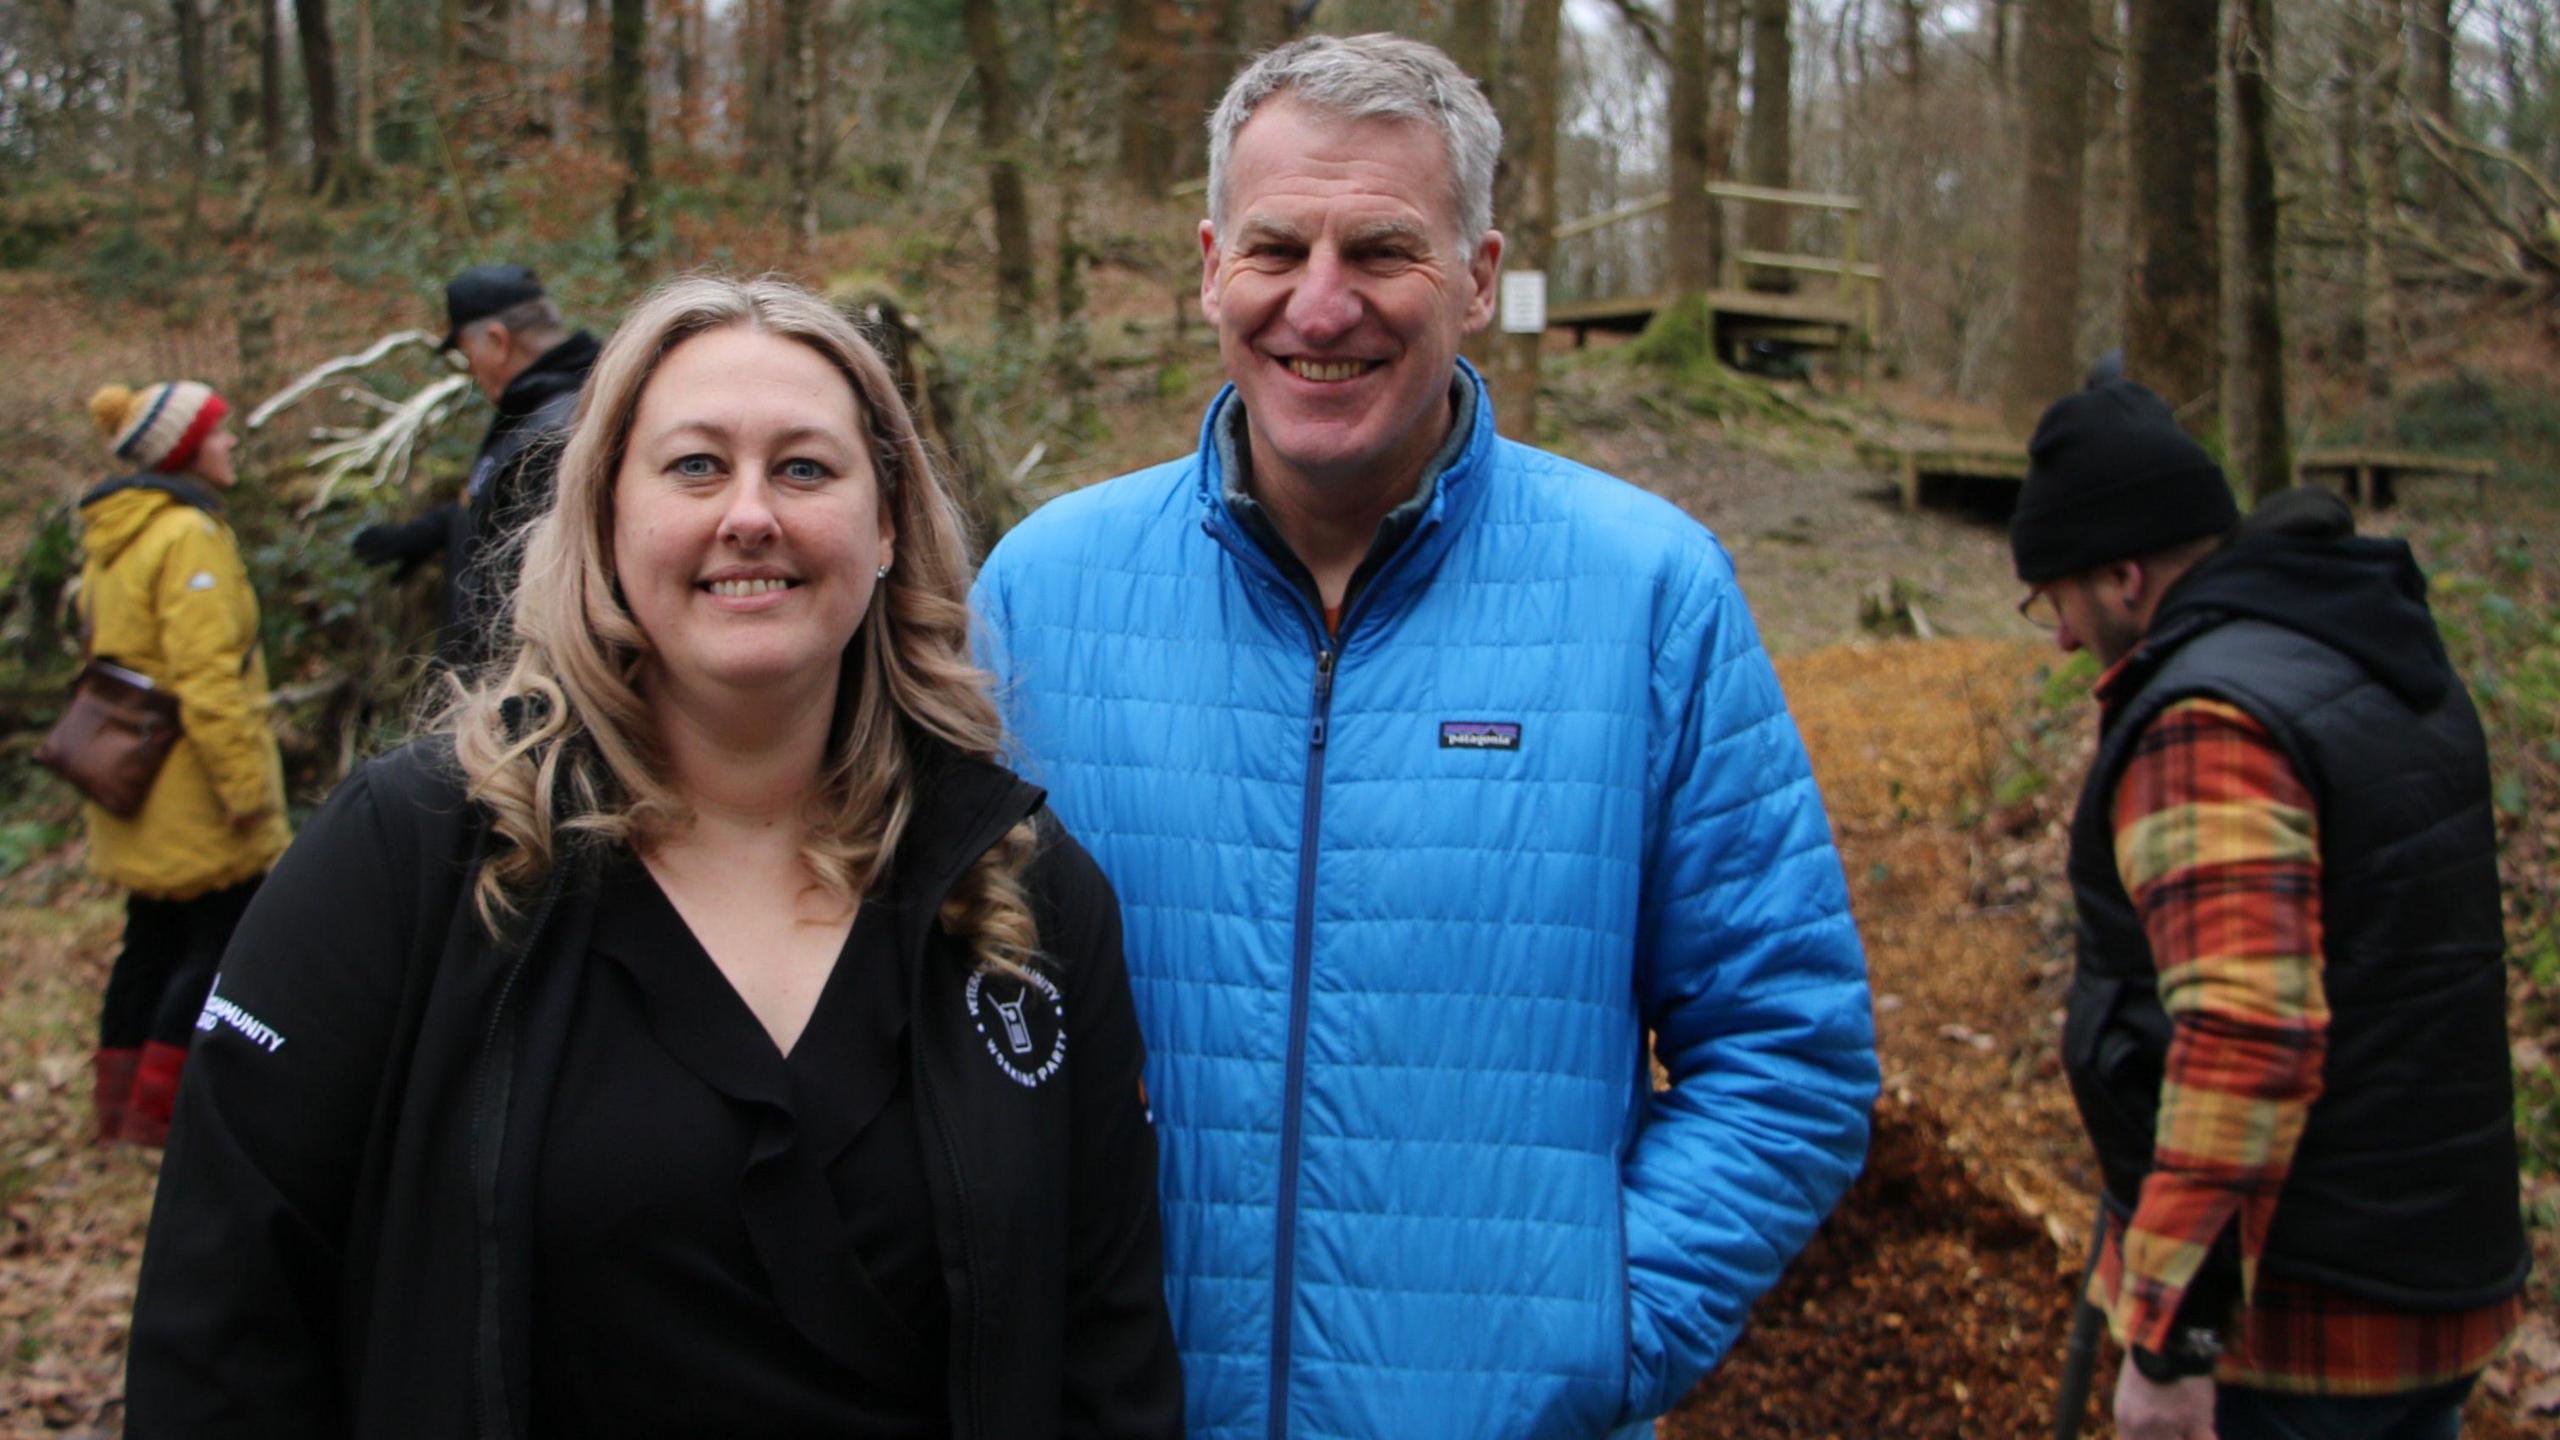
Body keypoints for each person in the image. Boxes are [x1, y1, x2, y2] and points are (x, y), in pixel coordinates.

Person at [973, 34, 1877, 1440]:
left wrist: (1596, 1339)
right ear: (1212, 264)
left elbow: (1790, 1049)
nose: (1320, 308)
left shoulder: (1647, 595)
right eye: (1277, 247)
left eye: (1382, 250)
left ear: (1477, 275)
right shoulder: (1041, 594)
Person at [127, 277, 1183, 1439]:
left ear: (886, 525)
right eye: (692, 466)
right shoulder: (412, 857)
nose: (749, 515)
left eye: (804, 468)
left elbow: (1107, 1353)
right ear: (605, 519)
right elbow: (223, 1331)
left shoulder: (1017, 894)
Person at [2008, 380, 2528, 1440]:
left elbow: (2245, 1036)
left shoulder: (2210, 721)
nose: (2060, 640)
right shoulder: (2370, 656)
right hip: (2431, 1286)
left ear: (2123, 574)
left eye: (2055, 599)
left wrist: (2169, 1337)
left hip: (2299, 1329)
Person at [76, 379, 291, 1147]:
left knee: (151, 941)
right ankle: (162, 1119)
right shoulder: (187, 537)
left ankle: (117, 1109)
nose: (231, 443)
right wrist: (246, 793)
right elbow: (207, 680)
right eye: (217, 432)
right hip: (191, 787)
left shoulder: (115, 534)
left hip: (132, 781)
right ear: (182, 450)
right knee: (216, 947)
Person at [351, 263, 601, 673]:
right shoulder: (534, 410)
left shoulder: (558, 429)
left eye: (468, 352)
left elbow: (541, 588)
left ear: (498, 341)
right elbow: (513, 512)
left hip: (516, 690)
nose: (470, 368)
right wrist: (432, 532)